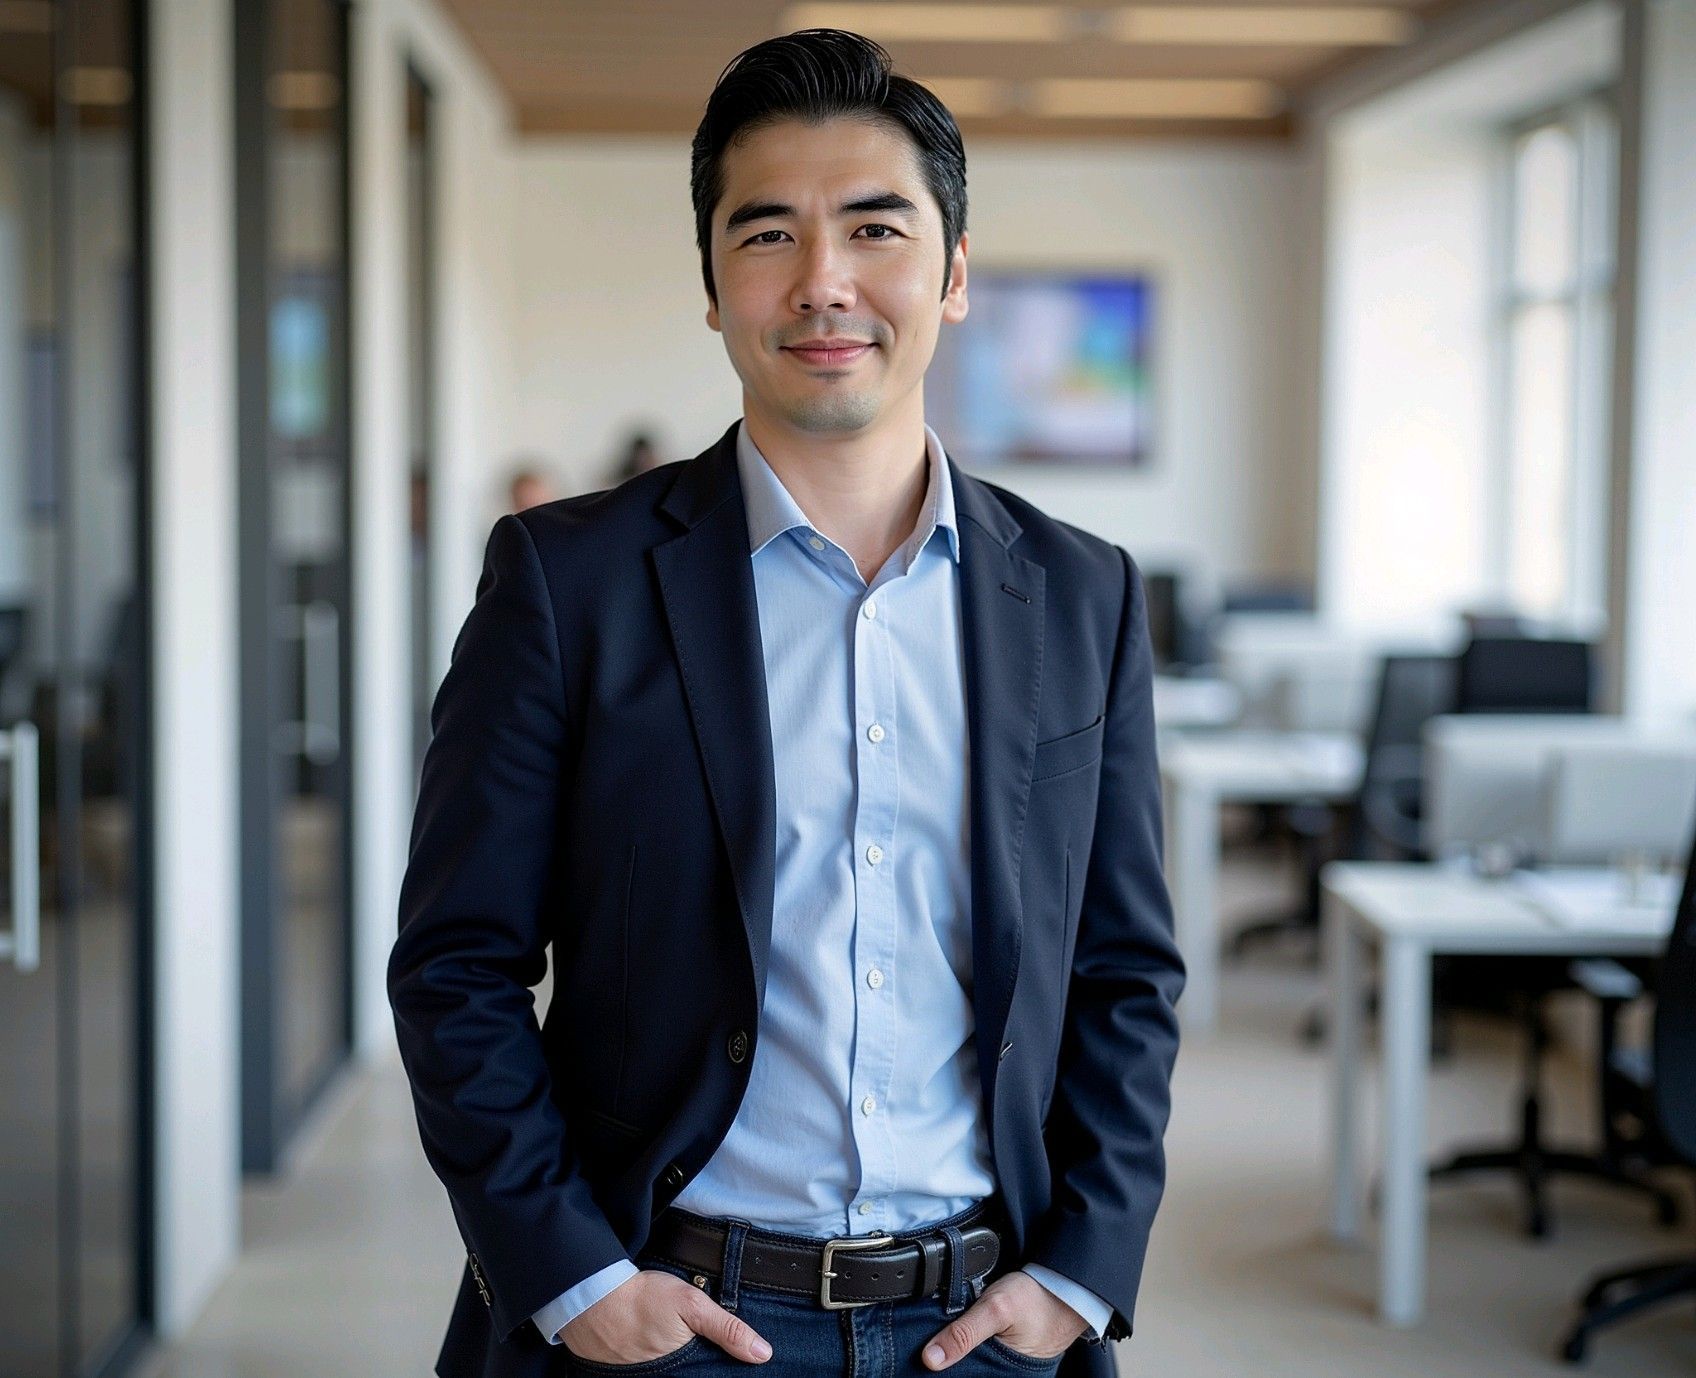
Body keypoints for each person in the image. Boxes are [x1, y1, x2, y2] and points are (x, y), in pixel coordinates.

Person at [389, 29, 1183, 1378]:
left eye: (876, 228)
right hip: (670, 1317)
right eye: (768, 236)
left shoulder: (1080, 594)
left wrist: (1079, 1268)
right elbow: (457, 964)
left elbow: (1123, 971)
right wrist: (573, 1277)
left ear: (955, 272)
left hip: (985, 1323)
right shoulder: (566, 581)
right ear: (712, 283)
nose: (825, 283)